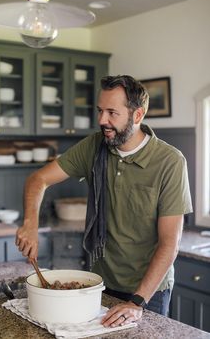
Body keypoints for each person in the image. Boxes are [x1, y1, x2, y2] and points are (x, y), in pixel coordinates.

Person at [16, 75, 193, 328]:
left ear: (137, 115)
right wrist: (30, 224)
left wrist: (136, 303)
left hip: (147, 293)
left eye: (112, 112)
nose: (102, 120)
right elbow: (38, 179)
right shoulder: (94, 147)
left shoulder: (170, 162)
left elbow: (169, 244)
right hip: (100, 284)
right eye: (100, 111)